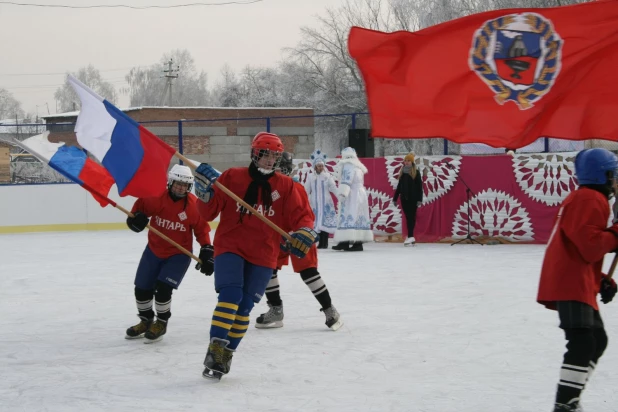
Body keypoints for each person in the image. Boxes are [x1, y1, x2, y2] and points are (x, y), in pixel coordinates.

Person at [193, 132, 317, 379]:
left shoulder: (287, 186)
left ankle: (227, 353)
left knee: (245, 306)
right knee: (231, 295)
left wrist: (305, 230)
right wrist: (203, 191)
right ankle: (215, 348)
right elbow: (207, 213)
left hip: (264, 254)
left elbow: (303, 216)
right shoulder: (231, 177)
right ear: (254, 153)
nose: (270, 160)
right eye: (265, 154)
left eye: (274, 155)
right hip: (231, 247)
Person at [537, 148, 618, 411]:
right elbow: (590, 246)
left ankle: (571, 398)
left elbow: (578, 244)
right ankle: (565, 404)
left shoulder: (586, 197)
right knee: (583, 341)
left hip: (575, 279)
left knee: (597, 339)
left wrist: (601, 278)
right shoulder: (589, 199)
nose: (616, 179)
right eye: (614, 174)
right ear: (604, 175)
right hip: (569, 282)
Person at [125, 164, 214, 343]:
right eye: (177, 183)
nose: (181, 187)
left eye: (185, 184)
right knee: (141, 289)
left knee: (163, 289)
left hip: (178, 255)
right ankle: (146, 321)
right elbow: (139, 209)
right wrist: (135, 218)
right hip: (153, 250)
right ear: (170, 182)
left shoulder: (194, 206)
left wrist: (206, 249)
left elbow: (202, 230)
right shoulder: (156, 197)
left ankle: (161, 323)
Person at [256, 152, 342, 331]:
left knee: (308, 272)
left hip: (300, 234)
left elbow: (304, 215)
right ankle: (275, 309)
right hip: (276, 235)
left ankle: (329, 310)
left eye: (279, 168)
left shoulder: (294, 187)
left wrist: (300, 233)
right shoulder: (264, 188)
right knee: (267, 269)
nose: (276, 172)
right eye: (274, 168)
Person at [332, 147, 374, 251]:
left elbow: (347, 180)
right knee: (358, 217)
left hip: (352, 194)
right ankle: (354, 242)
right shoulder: (357, 165)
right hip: (360, 193)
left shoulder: (348, 165)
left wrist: (342, 193)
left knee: (348, 216)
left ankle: (347, 242)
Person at [304, 149, 338, 249]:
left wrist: (340, 196)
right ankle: (318, 242)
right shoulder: (310, 177)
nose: (321, 168)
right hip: (315, 203)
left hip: (326, 203)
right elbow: (306, 190)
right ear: (315, 166)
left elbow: (333, 188)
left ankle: (324, 243)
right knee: (316, 222)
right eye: (319, 166)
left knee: (325, 222)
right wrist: (304, 200)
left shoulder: (327, 176)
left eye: (322, 166)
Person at [393, 153, 423, 246]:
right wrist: (395, 198)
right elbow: (399, 186)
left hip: (413, 199)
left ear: (412, 162)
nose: (406, 162)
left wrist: (419, 199)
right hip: (404, 199)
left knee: (411, 217)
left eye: (408, 160)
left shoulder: (416, 172)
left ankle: (410, 236)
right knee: (408, 217)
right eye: (405, 160)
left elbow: (419, 187)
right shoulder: (402, 172)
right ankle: (411, 237)